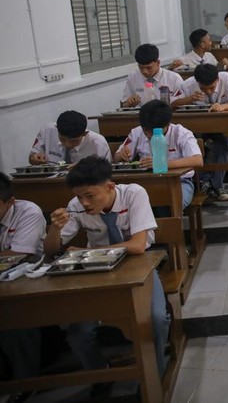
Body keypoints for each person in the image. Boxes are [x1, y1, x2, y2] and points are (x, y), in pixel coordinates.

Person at [42, 157, 170, 390]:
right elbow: (51, 250)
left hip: (139, 264)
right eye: (79, 196)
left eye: (90, 196)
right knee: (78, 331)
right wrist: (55, 229)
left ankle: (156, 373)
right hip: (96, 270)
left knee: (157, 319)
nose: (84, 203)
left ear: (109, 186)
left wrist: (86, 250)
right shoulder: (77, 204)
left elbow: (138, 246)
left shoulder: (133, 194)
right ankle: (101, 373)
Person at [0, 172, 46, 389]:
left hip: (27, 274)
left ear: (10, 202)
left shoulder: (28, 211)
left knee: (10, 312)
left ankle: (24, 381)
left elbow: (17, 254)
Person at [114, 100, 203, 209]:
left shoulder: (180, 133)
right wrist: (121, 156)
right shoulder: (137, 133)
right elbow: (116, 158)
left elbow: (197, 160)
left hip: (179, 182)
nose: (148, 134)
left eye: (153, 131)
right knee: (128, 203)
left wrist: (162, 164)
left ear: (167, 124)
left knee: (169, 203)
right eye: (145, 130)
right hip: (146, 182)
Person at [177, 64, 228, 200]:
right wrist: (189, 99)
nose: (208, 92)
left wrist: (223, 107)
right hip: (197, 127)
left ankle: (218, 184)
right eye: (203, 88)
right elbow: (173, 104)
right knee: (195, 146)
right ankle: (204, 181)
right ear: (197, 82)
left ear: (217, 79)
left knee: (223, 144)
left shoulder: (227, 78)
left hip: (222, 125)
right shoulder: (188, 84)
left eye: (211, 88)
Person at [29, 110, 111, 165]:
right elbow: (32, 157)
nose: (67, 144)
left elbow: (106, 172)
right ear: (57, 128)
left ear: (85, 134)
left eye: (74, 141)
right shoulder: (47, 131)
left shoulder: (98, 143)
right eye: (62, 139)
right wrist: (34, 158)